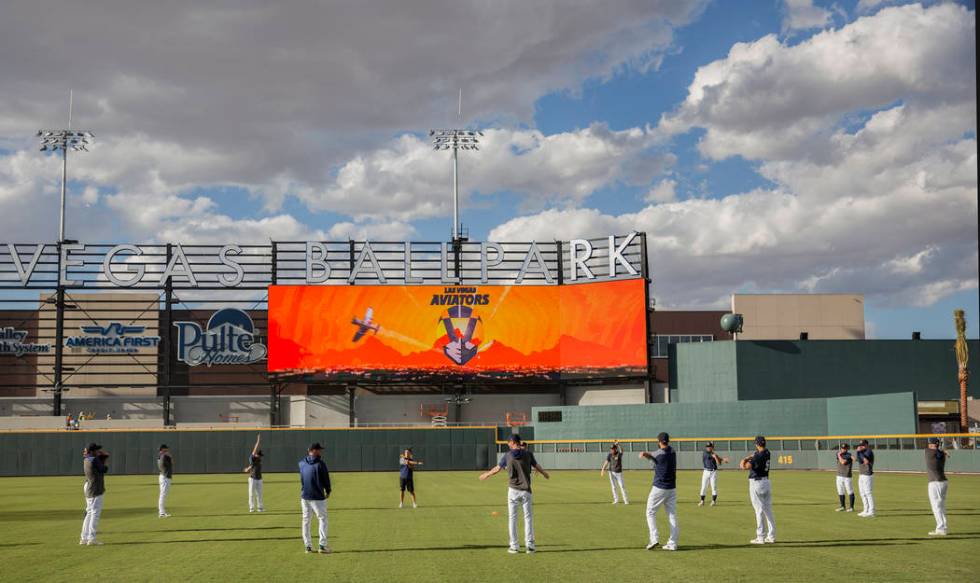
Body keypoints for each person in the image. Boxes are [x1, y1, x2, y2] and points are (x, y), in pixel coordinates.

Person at [479, 434, 550, 554]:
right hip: (526, 490)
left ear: (513, 442)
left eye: (509, 443)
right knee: (528, 518)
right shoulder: (528, 454)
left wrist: (487, 474)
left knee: (513, 518)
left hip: (513, 490)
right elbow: (536, 465)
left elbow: (497, 468)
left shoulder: (508, 455)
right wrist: (544, 473)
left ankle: (514, 546)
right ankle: (530, 546)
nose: (508, 445)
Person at [639, 432, 678, 551]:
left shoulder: (659, 454)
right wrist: (648, 455)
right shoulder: (673, 452)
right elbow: (653, 455)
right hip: (672, 488)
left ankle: (654, 539)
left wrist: (643, 454)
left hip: (659, 488)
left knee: (650, 512)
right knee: (672, 515)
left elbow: (651, 455)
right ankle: (673, 543)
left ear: (659, 441)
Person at [740, 435, 775, 544]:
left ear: (756, 444)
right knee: (768, 510)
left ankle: (760, 537)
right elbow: (760, 454)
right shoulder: (767, 452)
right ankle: (771, 536)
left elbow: (744, 466)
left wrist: (745, 459)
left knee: (759, 510)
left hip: (757, 483)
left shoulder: (758, 456)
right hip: (766, 482)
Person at [299, 442, 332, 553]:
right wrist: (328, 490)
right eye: (318, 449)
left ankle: (308, 546)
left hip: (305, 496)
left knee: (306, 521)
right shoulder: (320, 464)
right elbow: (326, 479)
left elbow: (302, 479)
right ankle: (322, 546)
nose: (320, 451)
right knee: (322, 519)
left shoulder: (301, 463)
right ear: (312, 450)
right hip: (317, 496)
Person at [80, 443, 109, 546]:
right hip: (96, 489)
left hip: (89, 488)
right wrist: (104, 458)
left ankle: (84, 538)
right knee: (95, 514)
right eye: (96, 450)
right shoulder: (94, 459)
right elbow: (104, 469)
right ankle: (91, 538)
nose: (98, 451)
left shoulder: (87, 459)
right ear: (92, 451)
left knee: (89, 513)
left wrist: (100, 456)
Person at [925, 437, 949, 536]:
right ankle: (944, 527)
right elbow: (938, 451)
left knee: (936, 506)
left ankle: (941, 528)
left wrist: (941, 450)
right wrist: (943, 450)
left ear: (932, 444)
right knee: (941, 506)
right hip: (943, 482)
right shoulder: (941, 454)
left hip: (935, 483)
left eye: (929, 443)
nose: (927, 445)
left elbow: (933, 449)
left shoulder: (928, 452)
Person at [699, 442, 728, 507]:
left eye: (709, 447)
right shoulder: (705, 453)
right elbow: (716, 459)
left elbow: (718, 461)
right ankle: (702, 501)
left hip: (713, 472)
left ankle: (713, 501)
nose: (708, 448)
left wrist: (722, 459)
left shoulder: (713, 454)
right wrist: (719, 458)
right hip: (706, 471)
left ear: (712, 447)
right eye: (707, 447)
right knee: (703, 487)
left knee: (713, 487)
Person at [243, 434, 264, 512]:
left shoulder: (258, 459)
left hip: (259, 478)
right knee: (251, 494)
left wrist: (248, 468)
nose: (260, 457)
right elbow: (255, 448)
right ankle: (251, 508)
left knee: (259, 494)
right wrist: (258, 440)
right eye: (260, 455)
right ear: (256, 454)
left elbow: (252, 466)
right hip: (252, 478)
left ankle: (260, 508)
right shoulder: (252, 458)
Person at [855, 439, 875, 517]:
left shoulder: (869, 451)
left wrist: (859, 452)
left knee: (868, 493)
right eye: (860, 445)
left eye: (862, 445)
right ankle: (866, 510)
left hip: (867, 474)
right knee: (862, 493)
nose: (861, 446)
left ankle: (872, 511)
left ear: (866, 445)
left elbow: (866, 461)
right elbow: (860, 461)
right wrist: (858, 452)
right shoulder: (861, 452)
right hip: (861, 474)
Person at [835, 443, 855, 512]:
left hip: (847, 476)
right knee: (840, 491)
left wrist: (839, 456)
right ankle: (842, 506)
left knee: (850, 491)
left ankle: (851, 507)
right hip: (839, 476)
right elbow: (839, 456)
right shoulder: (839, 453)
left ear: (847, 449)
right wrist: (839, 455)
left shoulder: (849, 456)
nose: (843, 449)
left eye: (845, 448)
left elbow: (843, 462)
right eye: (842, 448)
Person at [157, 444, 173, 517]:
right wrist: (170, 457)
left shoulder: (161, 456)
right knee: (163, 495)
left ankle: (162, 512)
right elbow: (169, 464)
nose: (167, 450)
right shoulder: (163, 456)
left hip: (164, 476)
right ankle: (161, 513)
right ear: (163, 449)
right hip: (165, 477)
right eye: (166, 449)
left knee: (163, 495)